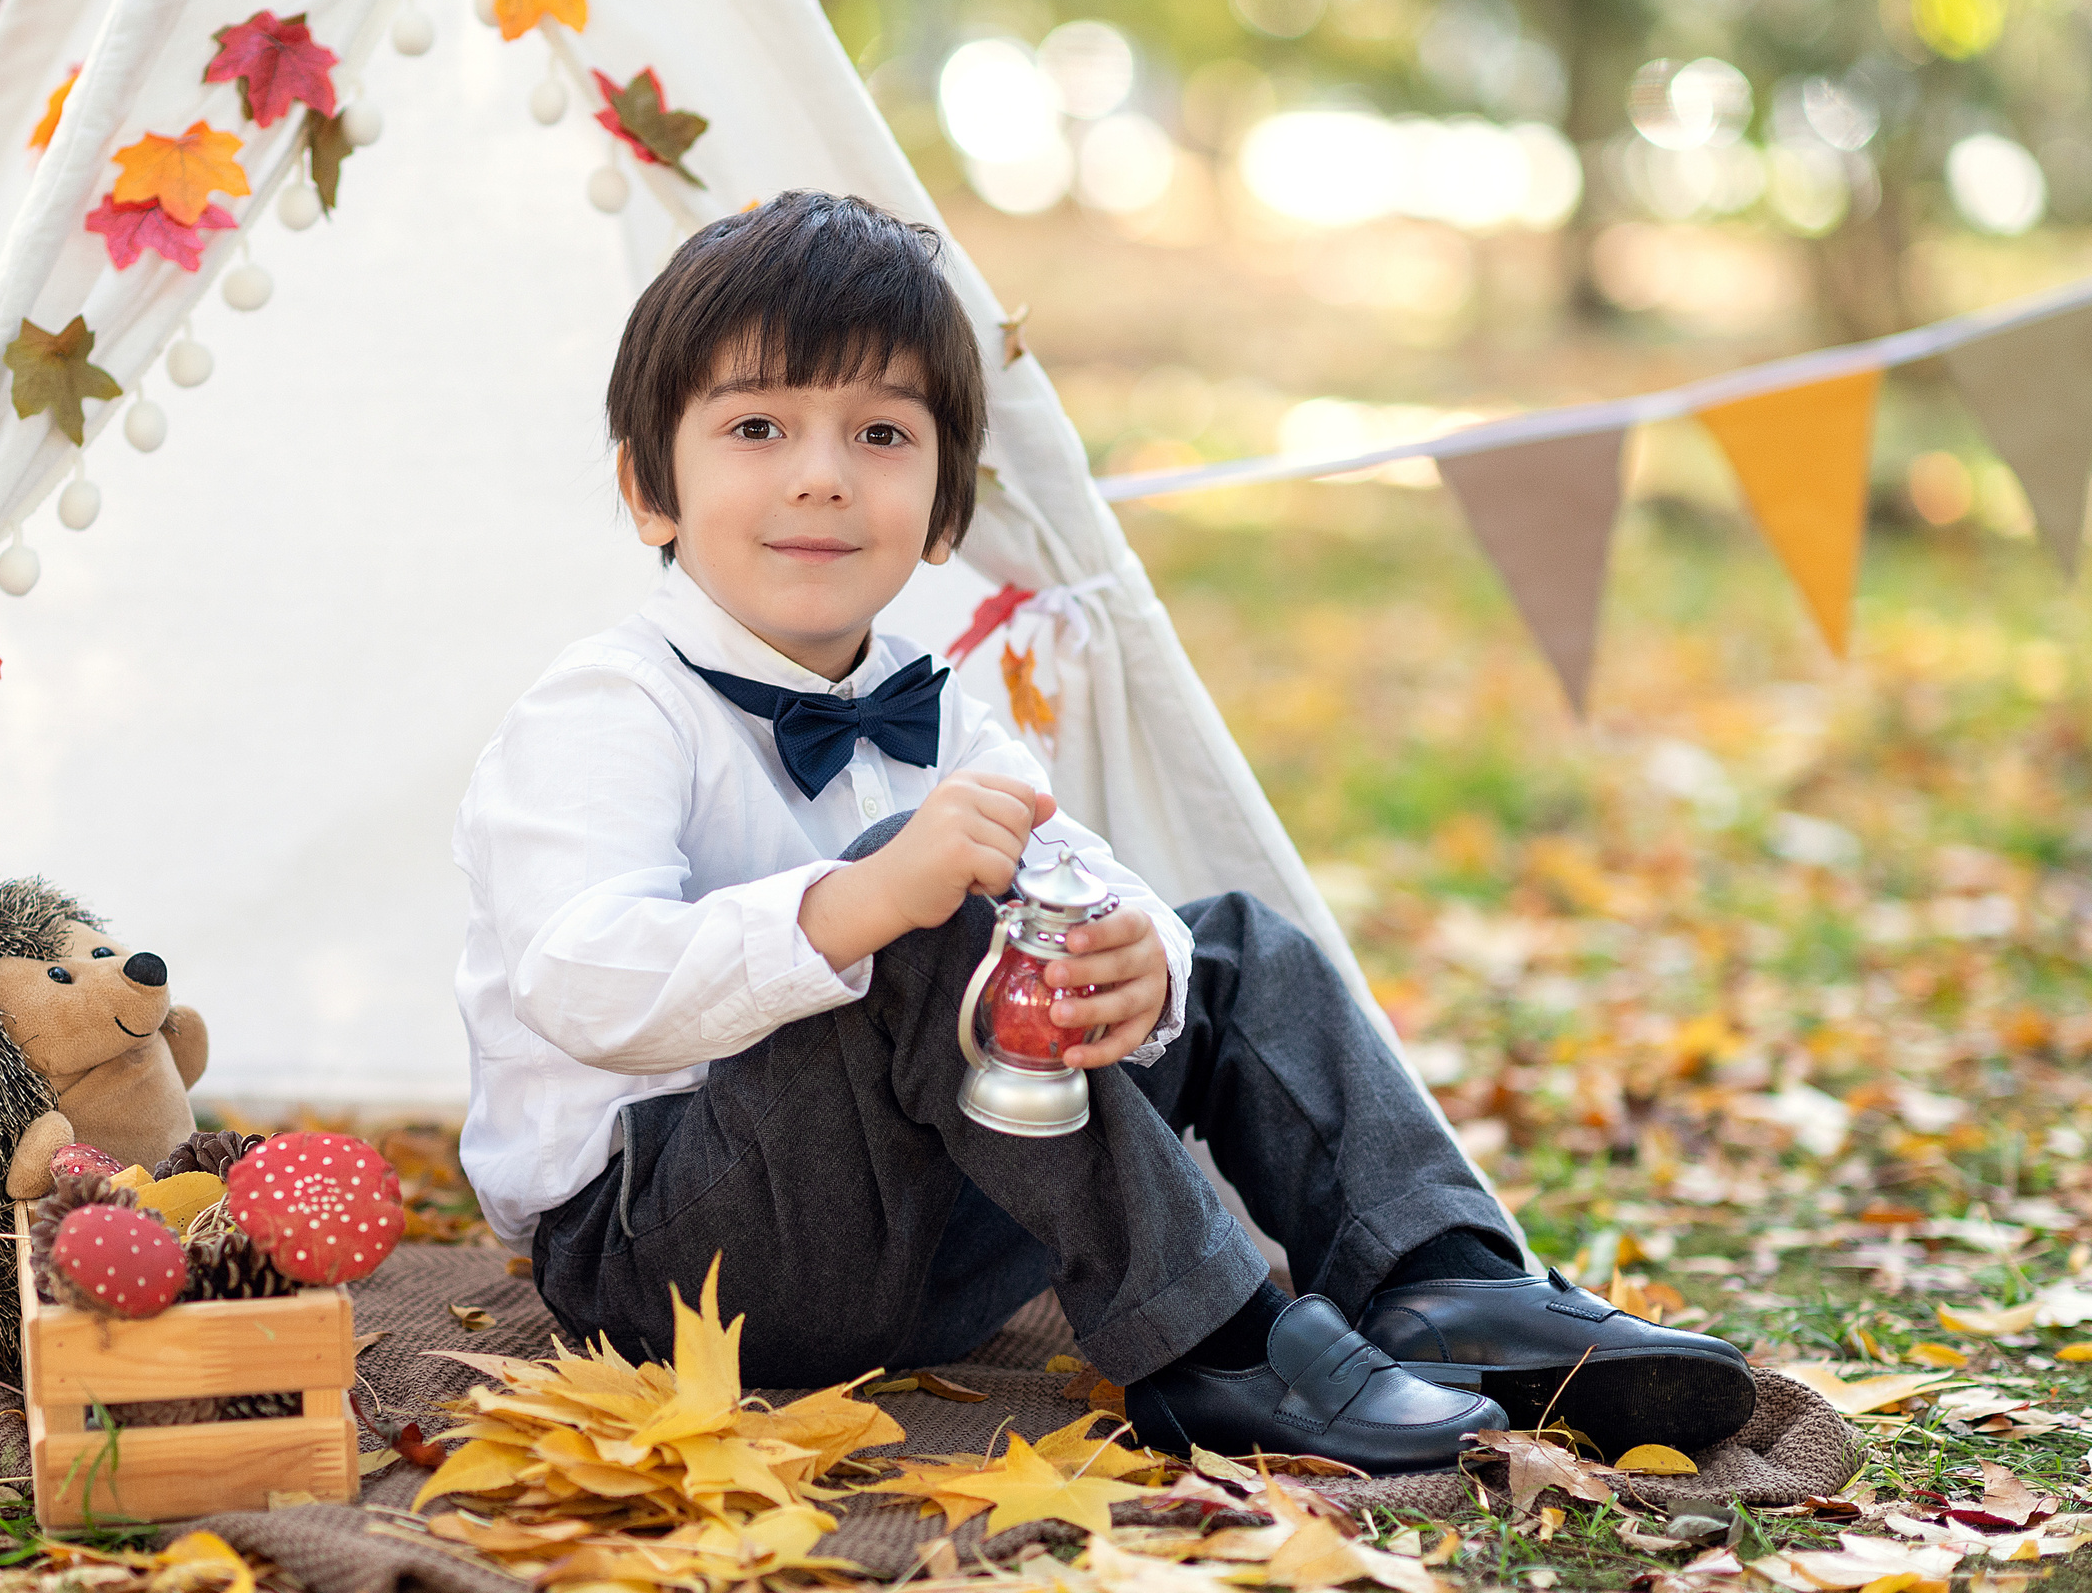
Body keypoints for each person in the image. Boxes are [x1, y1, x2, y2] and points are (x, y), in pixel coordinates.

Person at [451, 191, 1752, 1472]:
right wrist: (860, 906)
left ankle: (1444, 1287)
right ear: (648, 488)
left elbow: (1073, 880)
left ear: (948, 509)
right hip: (674, 1262)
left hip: (926, 1254)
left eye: (882, 435)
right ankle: (1223, 1343)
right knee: (930, 913)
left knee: (1220, 946)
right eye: (756, 425)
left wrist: (1141, 962)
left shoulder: (938, 703)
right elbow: (576, 979)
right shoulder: (606, 710)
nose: (820, 476)